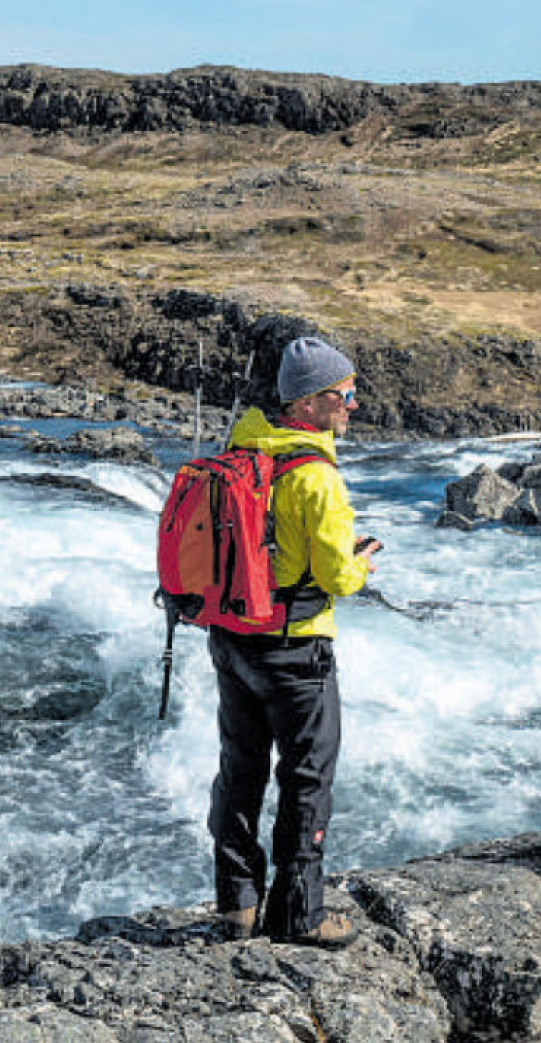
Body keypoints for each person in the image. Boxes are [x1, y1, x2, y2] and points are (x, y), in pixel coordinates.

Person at [207, 336, 381, 948]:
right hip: (296, 647)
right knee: (307, 778)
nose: (353, 405)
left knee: (241, 767)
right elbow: (337, 577)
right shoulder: (317, 478)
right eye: (345, 394)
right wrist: (363, 564)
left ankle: (238, 904)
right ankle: (300, 914)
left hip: (231, 638)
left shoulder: (243, 448)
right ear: (308, 403)